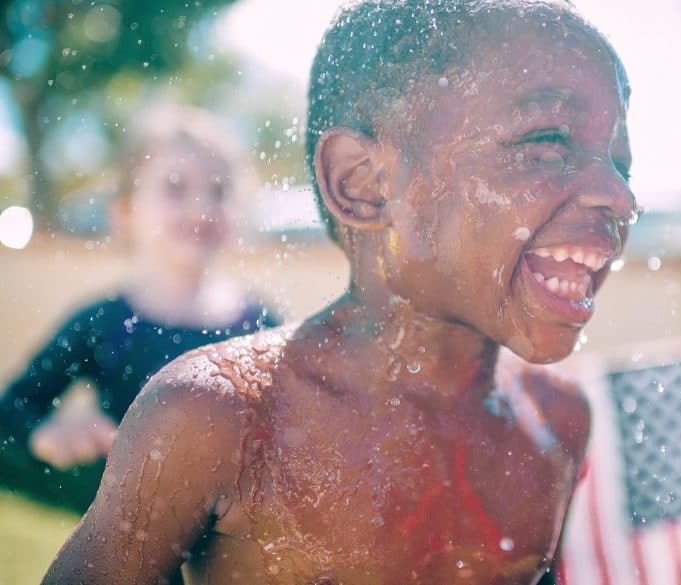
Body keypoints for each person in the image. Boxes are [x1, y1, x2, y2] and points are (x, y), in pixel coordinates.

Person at [44, 1, 637, 582]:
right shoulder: (224, 419)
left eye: (620, 163)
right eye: (549, 141)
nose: (620, 196)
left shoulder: (557, 421)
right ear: (363, 183)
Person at [0, 104, 278, 513]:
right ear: (126, 212)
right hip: (127, 554)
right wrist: (44, 434)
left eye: (217, 191)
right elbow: (11, 411)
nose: (201, 208)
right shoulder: (103, 324)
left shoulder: (259, 326)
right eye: (175, 187)